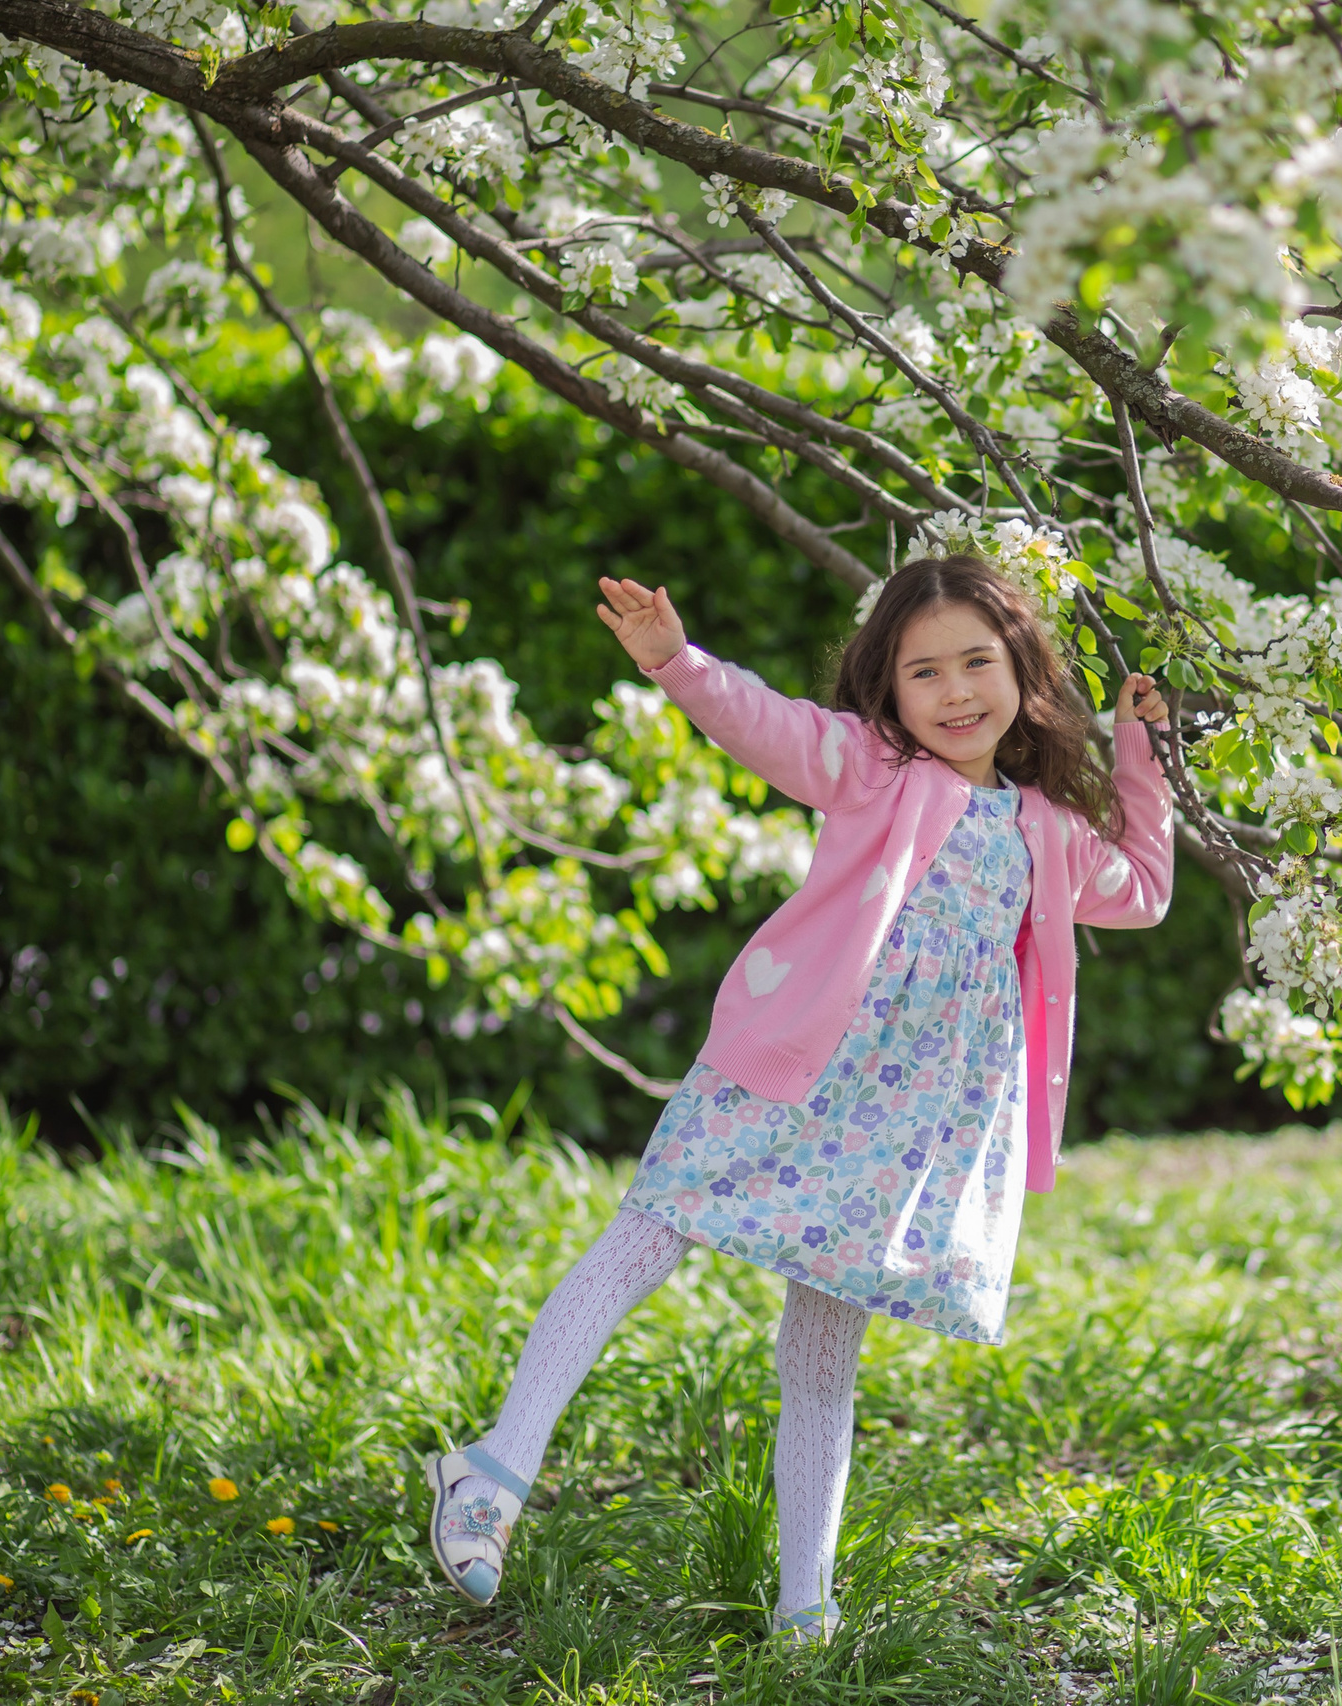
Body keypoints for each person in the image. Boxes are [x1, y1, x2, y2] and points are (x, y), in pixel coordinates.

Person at [424, 553, 1175, 1641]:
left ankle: (805, 1609)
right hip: (793, 1061)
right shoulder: (872, 768)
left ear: (1023, 670)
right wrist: (676, 662)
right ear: (888, 690)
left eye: (977, 662)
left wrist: (1139, 751)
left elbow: (1143, 889)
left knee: (825, 1352)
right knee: (649, 1233)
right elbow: (765, 724)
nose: (956, 692)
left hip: (905, 1125)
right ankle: (492, 1470)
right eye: (924, 672)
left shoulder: (1046, 830)